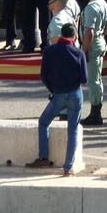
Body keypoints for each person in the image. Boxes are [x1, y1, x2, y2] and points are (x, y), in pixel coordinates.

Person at [29, 21, 87, 174]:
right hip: (75, 94)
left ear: (61, 34)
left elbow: (43, 76)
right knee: (73, 130)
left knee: (43, 122)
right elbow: (84, 79)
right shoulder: (78, 53)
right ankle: (68, 168)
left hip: (58, 94)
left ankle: (43, 158)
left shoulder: (49, 51)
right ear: (74, 36)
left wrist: (53, 89)